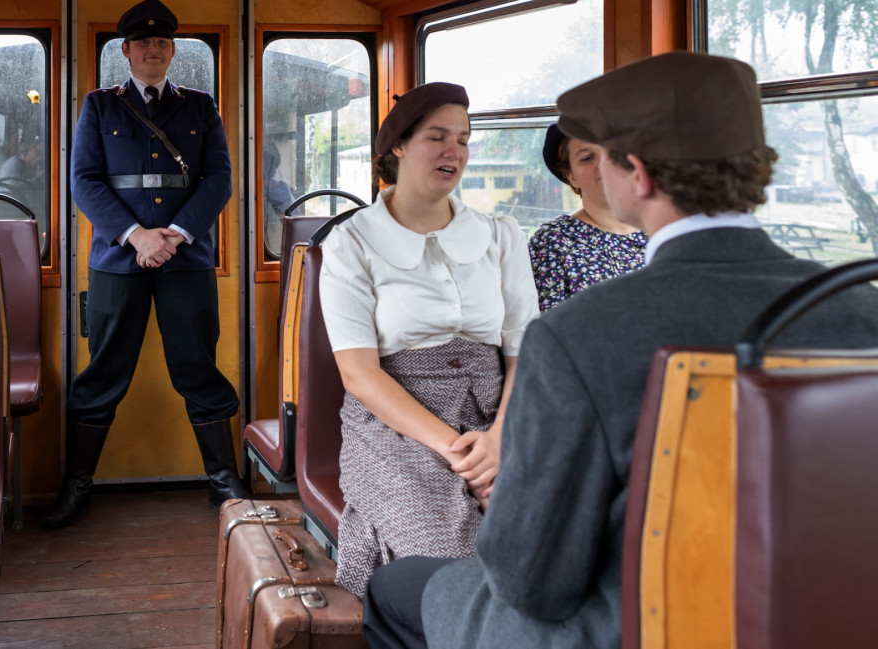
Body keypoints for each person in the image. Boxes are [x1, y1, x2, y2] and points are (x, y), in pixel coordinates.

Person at [360, 51, 878, 649]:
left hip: (629, 628)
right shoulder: (861, 315)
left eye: (602, 158)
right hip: (818, 622)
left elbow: (531, 582)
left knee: (395, 587)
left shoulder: (581, 336)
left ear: (639, 173)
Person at [318, 82, 538, 597]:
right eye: (437, 137)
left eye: (462, 139)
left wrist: (500, 436)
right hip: (398, 424)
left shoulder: (501, 235)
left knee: (552, 539)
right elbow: (359, 374)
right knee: (453, 559)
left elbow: (523, 348)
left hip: (498, 412)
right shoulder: (351, 242)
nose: (453, 151)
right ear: (399, 144)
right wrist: (463, 455)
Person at [42, 0, 247, 529]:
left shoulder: (200, 106)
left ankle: (224, 483)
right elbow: (83, 181)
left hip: (186, 259)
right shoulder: (100, 105)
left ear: (172, 50)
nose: (153, 49)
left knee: (199, 368)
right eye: (143, 42)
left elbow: (219, 179)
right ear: (126, 52)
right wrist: (136, 237)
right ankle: (77, 487)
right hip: (118, 259)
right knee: (104, 371)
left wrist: (174, 236)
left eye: (162, 42)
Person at [528, 123, 647, 311]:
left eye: (612, 153)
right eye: (587, 158)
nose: (604, 164)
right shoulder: (553, 242)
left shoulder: (660, 228)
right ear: (570, 176)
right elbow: (549, 329)